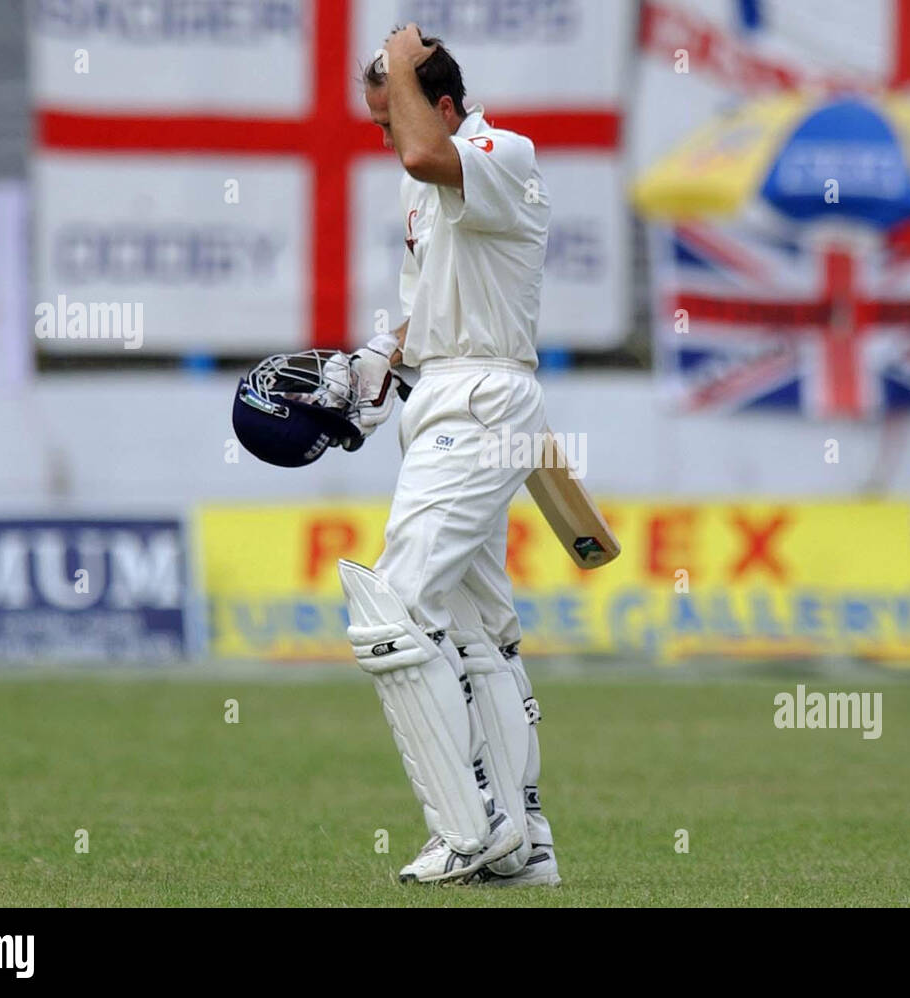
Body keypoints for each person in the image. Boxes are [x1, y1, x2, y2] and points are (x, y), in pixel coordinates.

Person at [329, 24, 558, 887]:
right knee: (477, 632)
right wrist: (381, 357)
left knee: (391, 610)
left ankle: (469, 827)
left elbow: (427, 154)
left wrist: (396, 51)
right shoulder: (419, 194)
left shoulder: (500, 151)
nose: (386, 140)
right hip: (441, 400)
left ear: (444, 103)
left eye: (389, 117)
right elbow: (422, 309)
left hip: (482, 398)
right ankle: (525, 845)